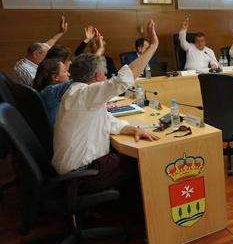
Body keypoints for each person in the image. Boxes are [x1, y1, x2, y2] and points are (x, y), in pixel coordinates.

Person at [52, 20, 160, 191]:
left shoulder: (77, 93)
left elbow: (108, 121)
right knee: (143, 160)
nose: (106, 78)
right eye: (104, 74)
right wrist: (153, 46)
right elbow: (122, 80)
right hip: (80, 175)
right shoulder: (85, 95)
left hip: (72, 171)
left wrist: (134, 130)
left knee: (127, 156)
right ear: (96, 77)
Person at [13, 16, 68, 86]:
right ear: (36, 54)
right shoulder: (28, 71)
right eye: (46, 54)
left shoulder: (27, 61)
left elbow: (49, 43)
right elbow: (39, 88)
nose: (47, 57)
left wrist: (61, 32)